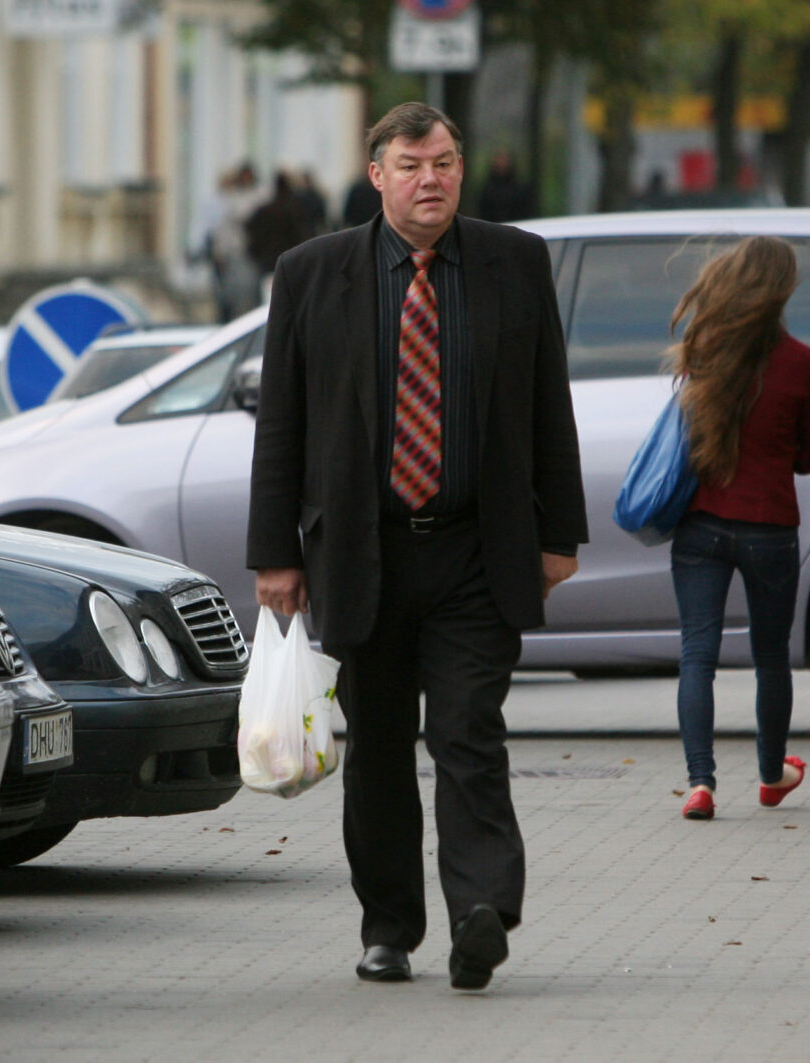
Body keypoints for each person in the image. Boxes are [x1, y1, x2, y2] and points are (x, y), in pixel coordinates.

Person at [247, 102, 587, 990]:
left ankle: (481, 910)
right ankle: (389, 925)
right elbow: (280, 424)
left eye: (443, 162)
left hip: (477, 548)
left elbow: (550, 401)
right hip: (365, 553)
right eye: (410, 164)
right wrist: (274, 554)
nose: (430, 178)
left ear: (461, 169)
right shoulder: (312, 273)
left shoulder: (514, 262)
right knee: (382, 746)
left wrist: (560, 533)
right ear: (377, 176)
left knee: (470, 726)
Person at [667, 237, 810, 822]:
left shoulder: (704, 349)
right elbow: (807, 458)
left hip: (701, 525)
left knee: (696, 654)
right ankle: (770, 774)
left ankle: (700, 784)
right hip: (770, 528)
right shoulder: (805, 363)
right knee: (771, 656)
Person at [205, 163, 262, 323]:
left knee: (249, 294)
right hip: (233, 253)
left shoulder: (259, 196)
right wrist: (219, 251)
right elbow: (222, 228)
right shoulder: (231, 199)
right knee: (231, 296)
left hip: (251, 253)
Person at [244, 171, 314, 282]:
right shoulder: (295, 209)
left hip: (268, 256)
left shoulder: (266, 209)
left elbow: (250, 227)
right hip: (290, 255)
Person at [475, 150, 535, 224]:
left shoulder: (519, 188)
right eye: (499, 161)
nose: (501, 164)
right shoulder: (487, 189)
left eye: (504, 161)